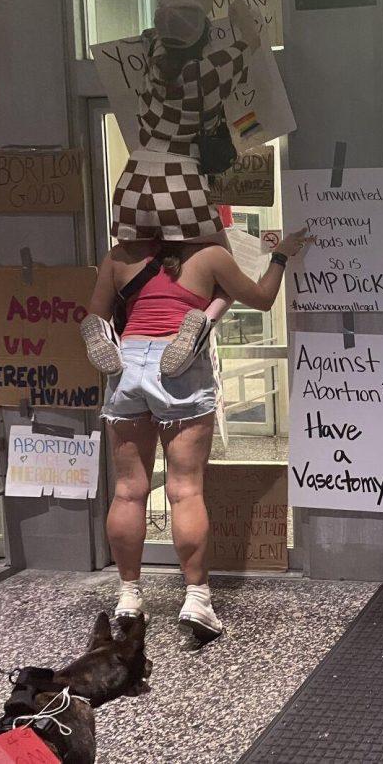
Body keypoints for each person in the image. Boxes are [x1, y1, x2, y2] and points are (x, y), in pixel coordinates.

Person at [85, 228, 312, 642]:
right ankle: (196, 598)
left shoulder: (119, 255)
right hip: (179, 364)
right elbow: (262, 299)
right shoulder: (208, 256)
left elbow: (96, 316)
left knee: (128, 491)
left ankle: (129, 595)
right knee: (185, 489)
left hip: (128, 361)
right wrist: (280, 256)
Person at [81, 0, 264, 380]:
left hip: (135, 178)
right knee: (220, 261)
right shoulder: (207, 70)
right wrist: (241, 15)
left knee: (130, 251)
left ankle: (96, 321)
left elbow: (179, 12)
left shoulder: (153, 57)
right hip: (179, 177)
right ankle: (199, 323)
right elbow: (250, 42)